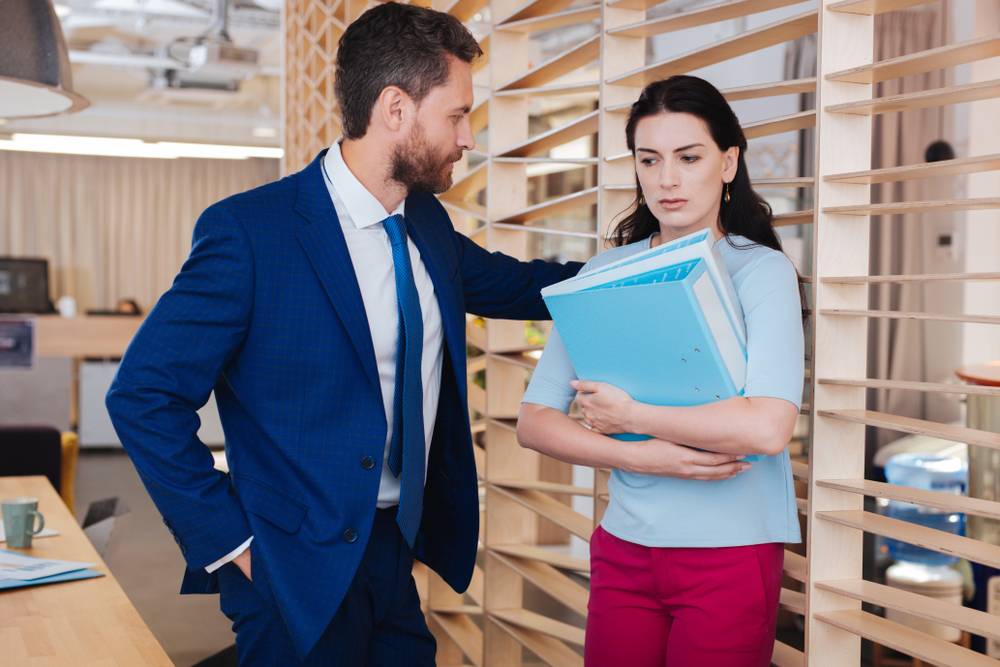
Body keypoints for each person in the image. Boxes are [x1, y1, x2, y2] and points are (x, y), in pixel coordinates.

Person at [105, 4, 583, 664]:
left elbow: (522, 286)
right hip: (287, 563)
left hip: (393, 548)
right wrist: (234, 547)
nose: (468, 137)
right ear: (395, 108)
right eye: (456, 114)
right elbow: (142, 395)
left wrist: (650, 264)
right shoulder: (251, 234)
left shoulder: (427, 224)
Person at [517, 75, 805, 667]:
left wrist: (632, 417)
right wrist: (637, 455)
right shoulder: (606, 270)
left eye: (688, 157)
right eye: (649, 160)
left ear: (728, 163)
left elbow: (768, 428)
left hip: (730, 552)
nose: (667, 179)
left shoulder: (762, 272)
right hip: (625, 547)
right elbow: (534, 420)